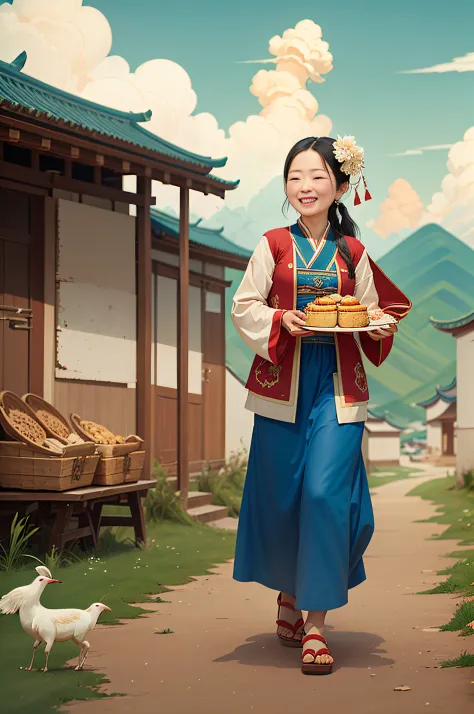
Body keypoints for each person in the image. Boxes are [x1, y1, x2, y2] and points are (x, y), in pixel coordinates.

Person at [231, 135, 412, 675]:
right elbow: (244, 305)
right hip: (282, 382)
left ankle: (315, 625)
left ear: (339, 185)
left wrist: (373, 322)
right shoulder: (272, 245)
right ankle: (289, 590)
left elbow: (378, 313)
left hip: (337, 386)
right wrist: (279, 319)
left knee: (324, 494)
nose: (304, 186)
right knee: (284, 495)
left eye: (315, 176)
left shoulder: (353, 254)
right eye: (295, 177)